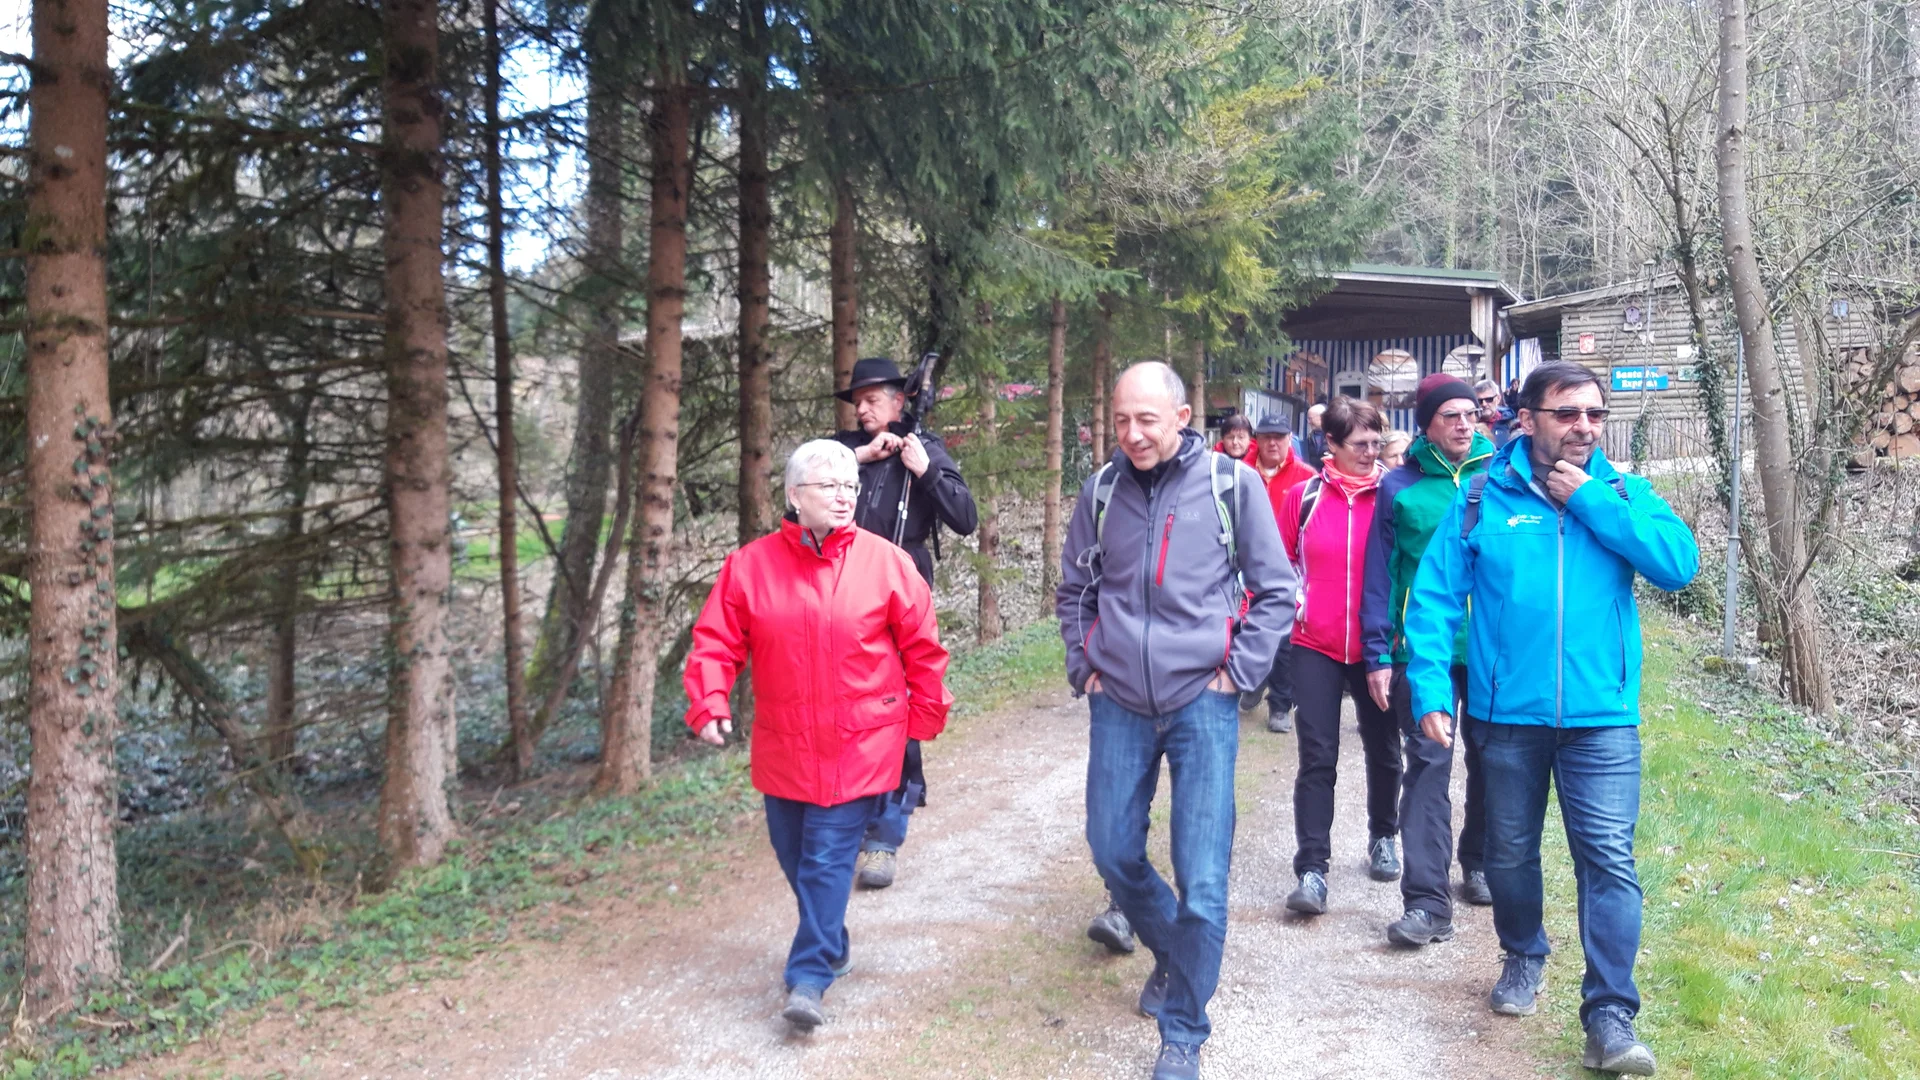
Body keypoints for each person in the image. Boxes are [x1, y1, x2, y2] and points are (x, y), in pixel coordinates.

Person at [1404, 362, 1699, 1077]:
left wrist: (1596, 502)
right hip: (1510, 716)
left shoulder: (1623, 492)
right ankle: (1522, 955)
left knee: (1608, 861)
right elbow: (1436, 593)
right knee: (1508, 854)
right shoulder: (1481, 496)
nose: (1584, 427)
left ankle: (1609, 1013)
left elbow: (1679, 565)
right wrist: (1430, 689)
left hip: (1602, 718)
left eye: (1594, 414)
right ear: (1526, 417)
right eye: (1567, 413)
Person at [1058, 362, 1294, 1080]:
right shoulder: (1100, 492)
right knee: (1111, 851)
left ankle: (1183, 1031)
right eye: (1122, 421)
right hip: (1121, 700)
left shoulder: (1231, 485)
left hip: (1203, 702)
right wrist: (1085, 664)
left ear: (1182, 417)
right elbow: (1074, 589)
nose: (1131, 434)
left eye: (1147, 420)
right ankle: (1175, 953)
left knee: (1204, 877)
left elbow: (1278, 590)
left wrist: (1240, 672)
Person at [682, 439, 953, 1032]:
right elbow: (716, 641)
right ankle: (833, 940)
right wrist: (708, 699)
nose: (843, 496)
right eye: (828, 485)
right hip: (785, 744)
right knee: (794, 855)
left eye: (850, 486)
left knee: (828, 858)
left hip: (862, 741)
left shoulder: (886, 561)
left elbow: (923, 648)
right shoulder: (749, 566)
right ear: (793, 495)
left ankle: (808, 976)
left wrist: (926, 713)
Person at [1359, 376, 1496, 952]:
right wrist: (1380, 651)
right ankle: (1425, 902)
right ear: (1427, 425)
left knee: (1492, 762)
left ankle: (1479, 861)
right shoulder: (1400, 487)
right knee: (1428, 768)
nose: (1465, 424)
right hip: (1422, 651)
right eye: (1450, 417)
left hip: (1492, 648)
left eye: (1470, 415)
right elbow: (1381, 574)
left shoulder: (1503, 479)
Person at [830, 357, 978, 890]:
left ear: (900, 400)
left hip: (902, 587)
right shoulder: (841, 451)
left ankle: (884, 834)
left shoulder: (925, 447)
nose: (863, 407)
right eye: (858, 399)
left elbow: (965, 518)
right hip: (839, 592)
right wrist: (859, 457)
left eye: (873, 398)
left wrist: (926, 469)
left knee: (891, 705)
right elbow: (802, 494)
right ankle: (847, 814)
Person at [1276, 396, 1404, 917]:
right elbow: (1280, 560)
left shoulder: (1393, 495)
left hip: (1378, 646)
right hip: (1316, 643)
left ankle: (1383, 836)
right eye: (1360, 445)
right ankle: (1312, 869)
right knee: (1318, 756)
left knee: (1384, 748)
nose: (1371, 453)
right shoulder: (1303, 496)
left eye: (1377, 443)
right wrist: (1294, 604)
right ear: (1330, 444)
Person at [1244, 414, 1314, 734]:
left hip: (1288, 568)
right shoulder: (1239, 473)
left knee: (1284, 638)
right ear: (1256, 438)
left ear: (1290, 439)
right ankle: (1253, 680)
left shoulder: (1306, 478)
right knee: (1243, 629)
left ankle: (1280, 704)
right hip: (1242, 564)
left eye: (1280, 436)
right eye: (1267, 436)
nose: (1273, 442)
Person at [1475, 378, 1516, 447]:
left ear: (1498, 398)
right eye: (1480, 401)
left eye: (1489, 399)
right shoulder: (1469, 424)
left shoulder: (1512, 424)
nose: (1484, 404)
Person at [1301, 402, 1329, 470]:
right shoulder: (1308, 438)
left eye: (1310, 418)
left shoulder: (1336, 436)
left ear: (1321, 417)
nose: (1308, 422)